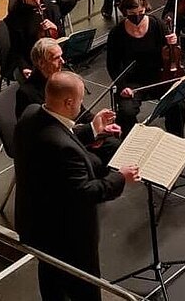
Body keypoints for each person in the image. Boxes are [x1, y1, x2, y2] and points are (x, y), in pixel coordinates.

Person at [14, 71, 137, 301]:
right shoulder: (62, 148)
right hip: (67, 235)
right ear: (68, 102)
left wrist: (93, 129)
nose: (81, 105)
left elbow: (58, 133)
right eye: (80, 100)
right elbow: (85, 192)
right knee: (84, 288)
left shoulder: (31, 114)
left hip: (35, 224)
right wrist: (120, 177)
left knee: (50, 276)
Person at [16, 37, 121, 164]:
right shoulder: (27, 94)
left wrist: (101, 124)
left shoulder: (63, 78)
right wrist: (92, 130)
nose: (62, 61)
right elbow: (51, 132)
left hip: (76, 133)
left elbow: (81, 112)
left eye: (61, 56)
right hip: (57, 148)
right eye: (56, 58)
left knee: (113, 142)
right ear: (41, 63)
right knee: (100, 158)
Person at [107, 0, 185, 138]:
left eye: (141, 12)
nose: (137, 16)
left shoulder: (157, 24)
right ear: (125, 12)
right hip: (132, 82)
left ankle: (175, 138)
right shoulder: (116, 33)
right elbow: (112, 65)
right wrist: (123, 86)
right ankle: (133, 142)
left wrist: (173, 42)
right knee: (126, 111)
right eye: (132, 14)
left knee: (178, 103)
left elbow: (172, 52)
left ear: (145, 8)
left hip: (160, 76)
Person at [4, 0, 63, 80]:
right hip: (28, 58)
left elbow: (62, 35)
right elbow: (16, 49)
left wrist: (55, 27)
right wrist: (24, 67)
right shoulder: (15, 18)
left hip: (52, 56)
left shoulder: (51, 8)